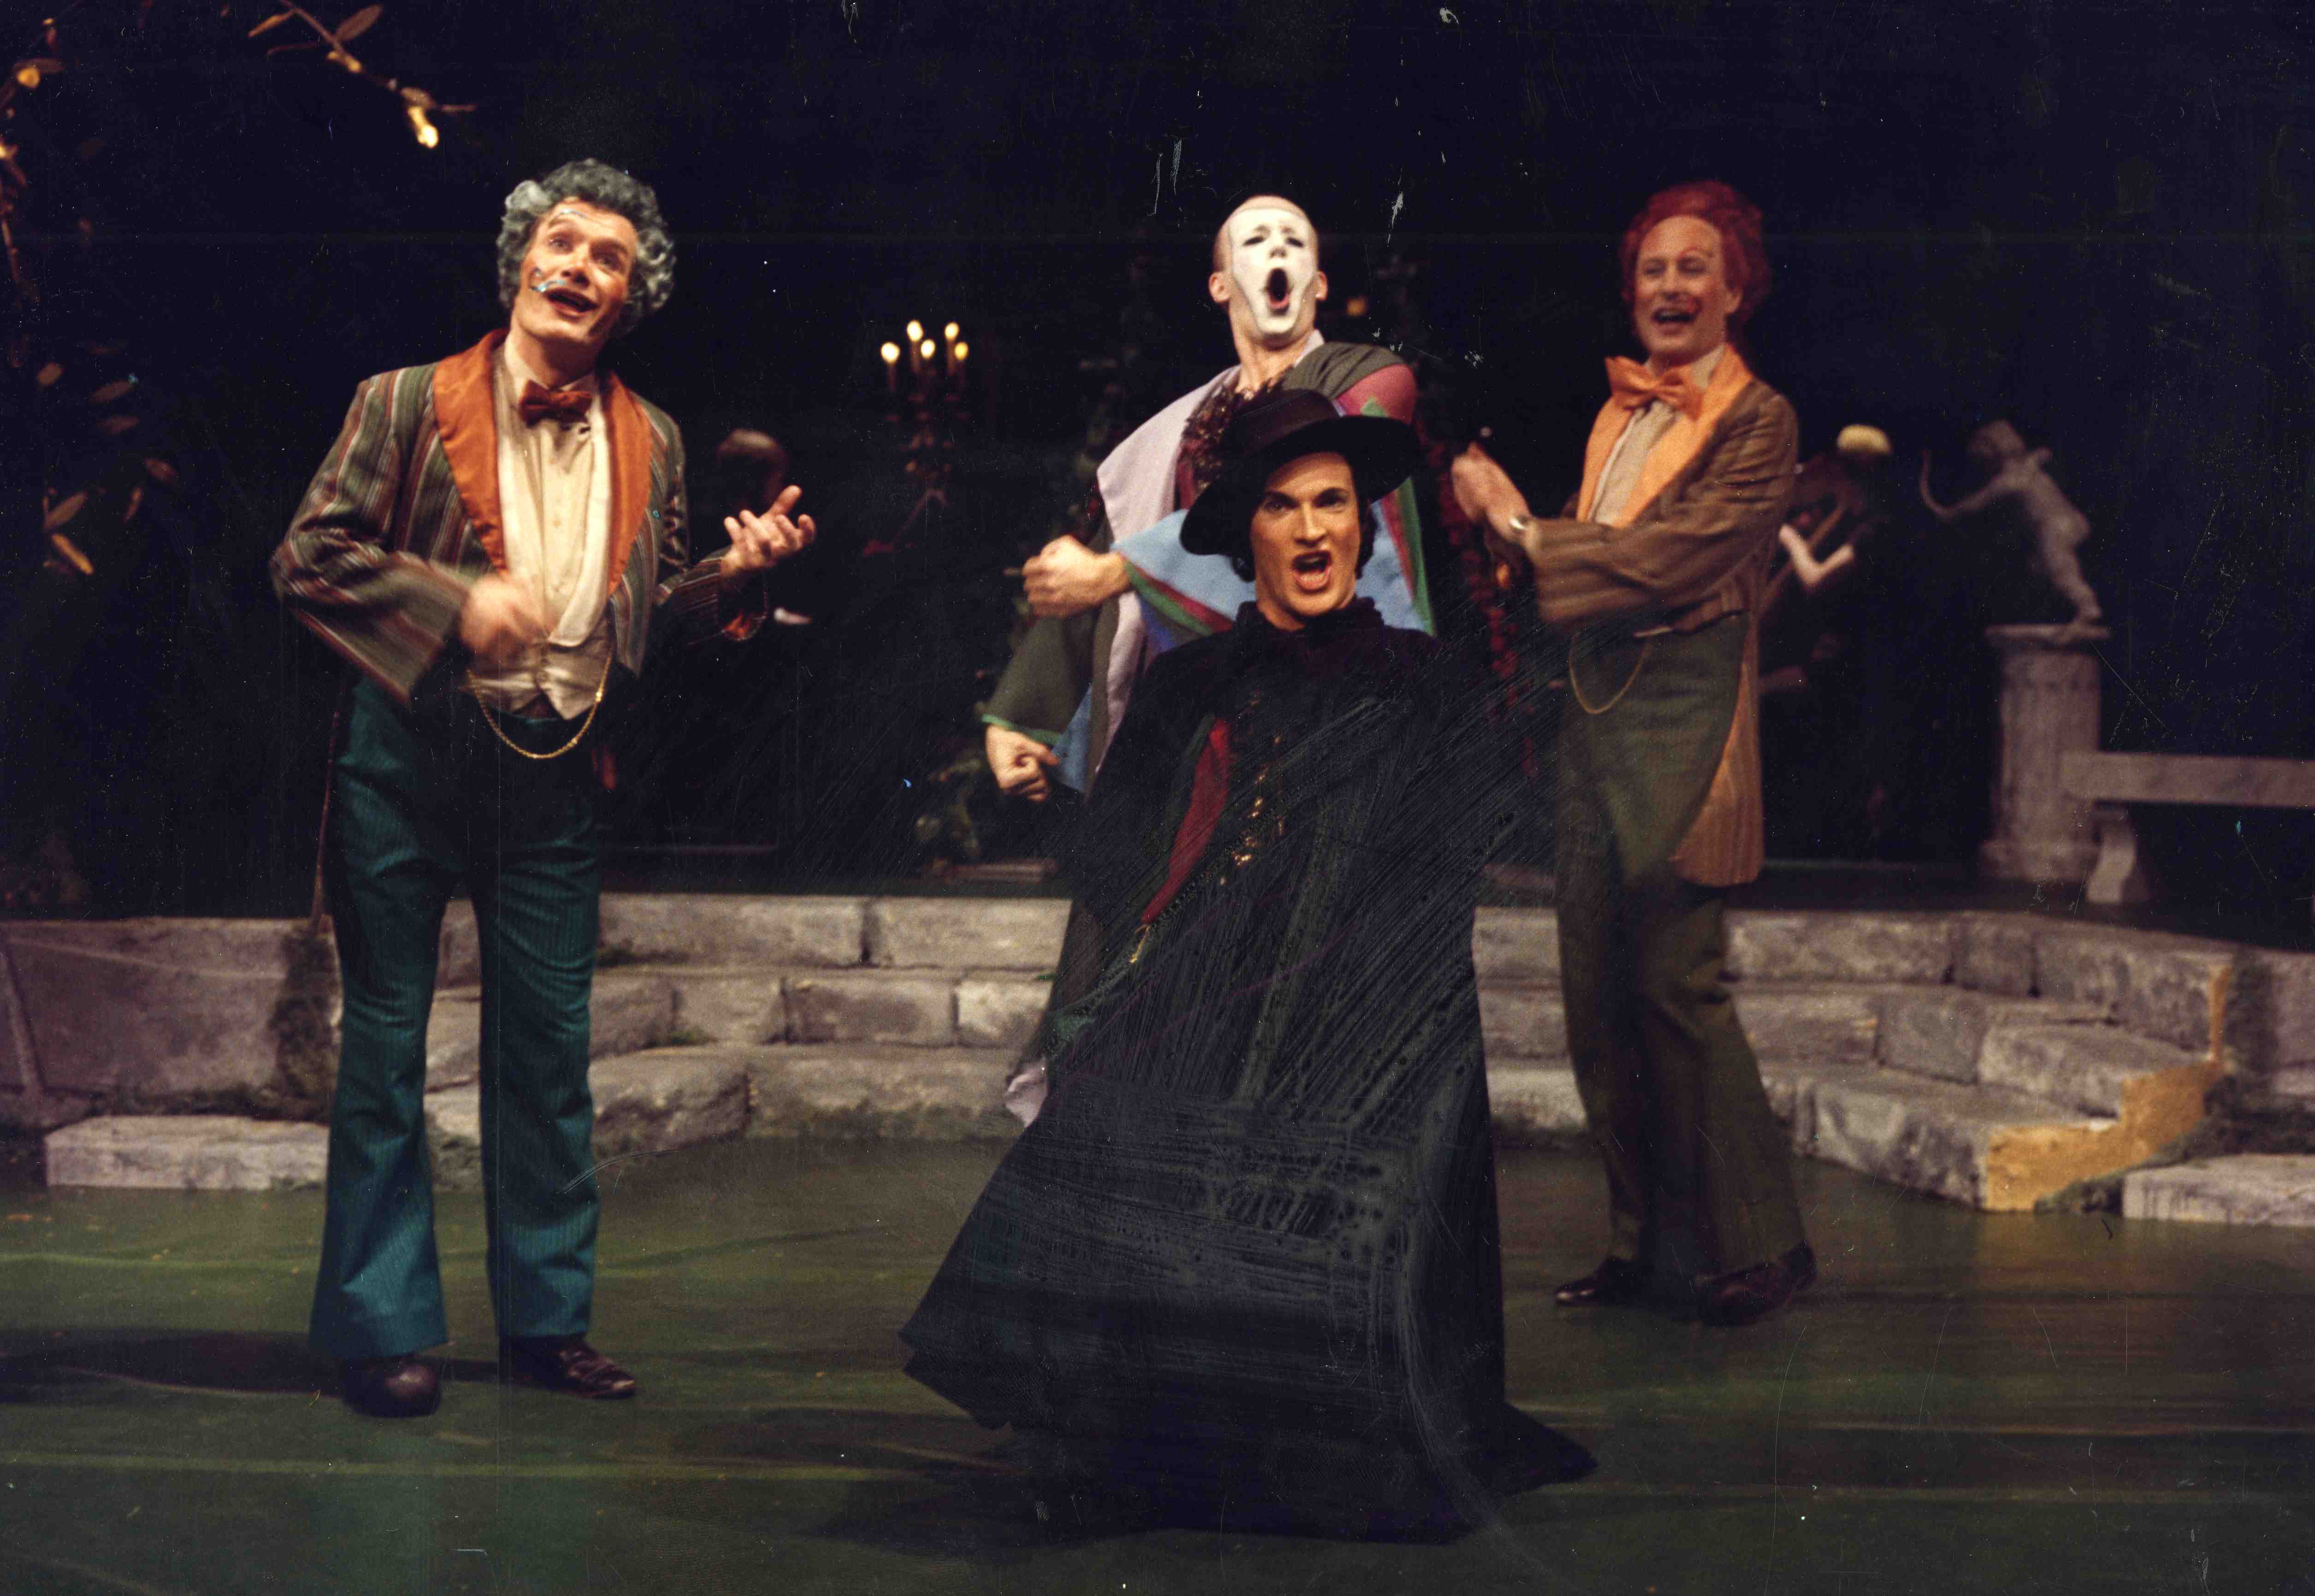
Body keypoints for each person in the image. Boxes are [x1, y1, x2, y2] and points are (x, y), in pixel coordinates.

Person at [904, 390, 1592, 1537]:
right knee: (1124, 1117)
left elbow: (1453, 869)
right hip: (1215, 1000)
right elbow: (1124, 869)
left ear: (1363, 528)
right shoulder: (1190, 686)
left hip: (1364, 1023)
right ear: (1248, 534)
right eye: (1284, 507)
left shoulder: (1425, 682)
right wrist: (1042, 796)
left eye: (1334, 504)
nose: (1314, 530)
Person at [272, 159, 815, 1418]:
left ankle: (546, 1322)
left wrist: (732, 582)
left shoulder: (654, 438)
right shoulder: (403, 401)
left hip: (554, 769)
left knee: (548, 1053)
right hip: (409, 757)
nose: (578, 267)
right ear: (520, 260)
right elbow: (307, 558)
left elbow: (648, 616)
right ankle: (382, 1327)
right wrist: (454, 603)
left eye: (607, 258)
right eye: (561, 243)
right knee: (387, 1044)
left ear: (632, 297)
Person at [1452, 180, 1815, 1327]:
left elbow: (1665, 562)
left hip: (1687, 710)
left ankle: (1760, 1245)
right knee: (1596, 987)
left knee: (1676, 980)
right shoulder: (1621, 414)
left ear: (1736, 289)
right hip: (1598, 705)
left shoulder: (1759, 420)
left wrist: (1518, 526)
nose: (1670, 286)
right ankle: (1643, 1245)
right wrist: (1510, 541)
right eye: (1654, 268)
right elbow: (1586, 553)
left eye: (1695, 267)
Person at [981, 193, 1431, 805]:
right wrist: (1019, 715)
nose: (1277, 249)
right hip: (1198, 728)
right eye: (1256, 240)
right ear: (1220, 285)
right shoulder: (1179, 431)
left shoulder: (1368, 377)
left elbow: (1122, 563)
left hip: (1330, 704)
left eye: (1294, 241)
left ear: (1319, 283)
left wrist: (1121, 570)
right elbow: (1105, 555)